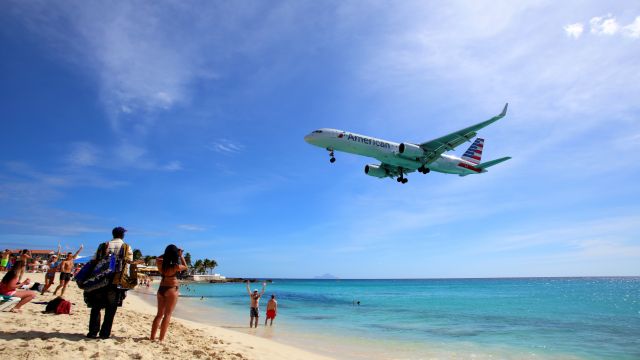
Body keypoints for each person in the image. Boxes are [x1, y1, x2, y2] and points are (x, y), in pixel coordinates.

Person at [86, 226, 133, 339]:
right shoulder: (126, 247)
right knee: (111, 309)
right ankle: (104, 333)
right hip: (115, 282)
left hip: (99, 280)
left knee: (96, 307)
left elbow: (94, 260)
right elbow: (128, 264)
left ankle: (93, 332)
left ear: (113, 234)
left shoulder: (103, 245)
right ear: (122, 235)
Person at [150, 245, 188, 341]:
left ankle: (152, 337)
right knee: (167, 315)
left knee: (159, 314)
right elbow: (185, 267)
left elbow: (158, 258)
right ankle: (161, 339)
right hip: (171, 289)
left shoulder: (160, 263)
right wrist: (180, 255)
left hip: (161, 289)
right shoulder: (175, 267)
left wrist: (168, 253)